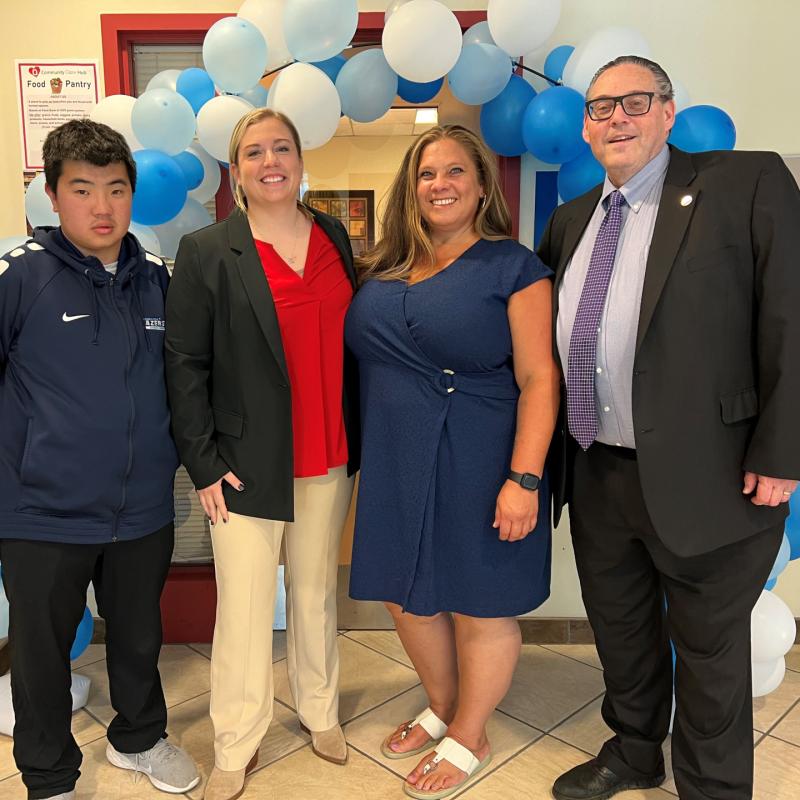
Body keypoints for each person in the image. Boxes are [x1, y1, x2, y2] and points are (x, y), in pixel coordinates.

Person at [538, 55, 800, 800]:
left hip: (714, 473)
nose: (615, 117)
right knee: (621, 633)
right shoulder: (571, 220)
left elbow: (793, 320)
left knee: (711, 652)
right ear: (586, 128)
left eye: (633, 102)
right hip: (597, 470)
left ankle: (714, 787)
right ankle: (633, 752)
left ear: (667, 110)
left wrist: (784, 451)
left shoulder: (745, 184)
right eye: (600, 107)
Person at [346, 124, 560, 799]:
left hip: (480, 451)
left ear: (480, 185)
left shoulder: (512, 266)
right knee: (403, 592)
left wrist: (523, 479)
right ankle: (442, 703)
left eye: (453, 173)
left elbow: (540, 379)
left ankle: (471, 731)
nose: (438, 185)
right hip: (394, 454)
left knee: (479, 603)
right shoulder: (383, 265)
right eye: (425, 174)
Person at [0, 119, 199, 800]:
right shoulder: (20, 275)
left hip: (142, 506)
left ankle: (138, 740)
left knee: (139, 639)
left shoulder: (156, 282)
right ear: (53, 195)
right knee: (40, 655)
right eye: (83, 189)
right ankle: (50, 777)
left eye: (116, 189)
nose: (103, 206)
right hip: (42, 511)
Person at [165, 107, 360, 800]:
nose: (270, 160)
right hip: (243, 463)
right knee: (245, 607)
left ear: (301, 159)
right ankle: (235, 741)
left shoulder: (334, 235)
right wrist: (204, 462)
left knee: (313, 595)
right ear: (236, 167)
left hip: (327, 454)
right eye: (254, 151)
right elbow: (183, 364)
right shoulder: (208, 249)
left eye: (282, 147)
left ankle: (320, 711)